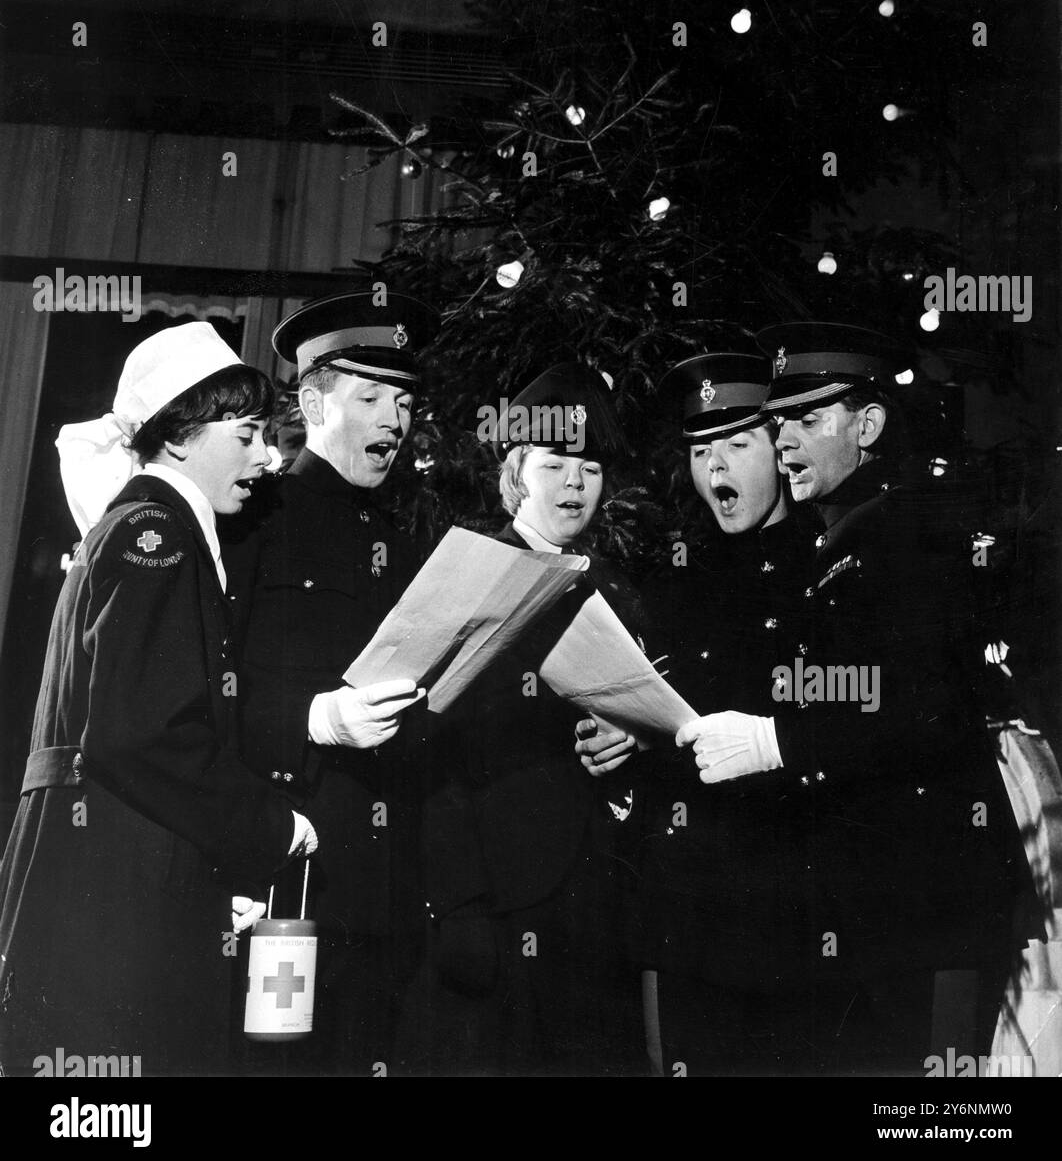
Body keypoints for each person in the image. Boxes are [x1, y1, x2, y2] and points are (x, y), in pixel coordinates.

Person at [670, 320, 1026, 1073]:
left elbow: (928, 710)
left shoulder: (916, 532)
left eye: (806, 418)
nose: (785, 440)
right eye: (776, 422)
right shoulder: (834, 536)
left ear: (866, 425)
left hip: (926, 907)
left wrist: (776, 742)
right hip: (858, 911)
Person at [0, 322, 316, 1076]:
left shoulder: (134, 524)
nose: (265, 457)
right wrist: (268, 827)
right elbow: (140, 734)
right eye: (244, 435)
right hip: (116, 889)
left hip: (95, 873)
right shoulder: (157, 534)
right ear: (178, 438)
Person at [399, 363, 646, 1076]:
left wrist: (631, 742)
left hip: (600, 909)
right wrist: (461, 905)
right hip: (497, 912)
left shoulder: (621, 592)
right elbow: (428, 752)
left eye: (592, 467)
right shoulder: (470, 579)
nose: (575, 483)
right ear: (515, 473)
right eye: (556, 463)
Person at [580, 350, 819, 1074]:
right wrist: (626, 736)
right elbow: (665, 707)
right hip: (685, 911)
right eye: (701, 450)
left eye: (737, 444)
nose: (717, 469)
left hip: (793, 914)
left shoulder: (827, 565)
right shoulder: (675, 580)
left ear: (779, 448)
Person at [223, 288, 438, 1075]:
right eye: (372, 396)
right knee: (280, 1065)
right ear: (312, 401)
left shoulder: (404, 541)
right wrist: (313, 718)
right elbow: (206, 691)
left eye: (405, 400)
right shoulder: (253, 517)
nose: (395, 419)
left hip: (389, 892)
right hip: (290, 885)